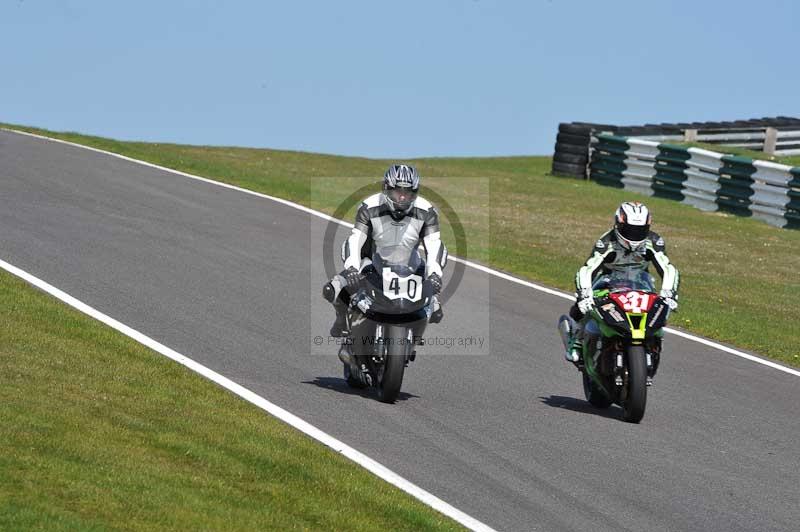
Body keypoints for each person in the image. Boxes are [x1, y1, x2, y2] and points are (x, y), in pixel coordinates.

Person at [323, 164, 446, 337]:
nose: (402, 198)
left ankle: (413, 334)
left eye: (408, 193)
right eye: (398, 192)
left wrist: (435, 275)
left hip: (408, 265)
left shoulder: (427, 212)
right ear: (386, 190)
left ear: (415, 193)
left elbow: (435, 245)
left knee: (436, 311)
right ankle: (341, 319)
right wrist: (351, 268)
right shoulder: (368, 207)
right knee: (332, 290)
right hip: (371, 262)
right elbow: (355, 239)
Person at [565, 201, 679, 363]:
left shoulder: (653, 241)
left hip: (641, 283)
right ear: (618, 225)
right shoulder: (606, 242)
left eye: (640, 230)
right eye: (630, 229)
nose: (634, 235)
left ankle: (653, 342)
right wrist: (585, 294)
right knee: (584, 305)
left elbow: (668, 268)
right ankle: (577, 339)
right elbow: (587, 269)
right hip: (608, 283)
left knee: (659, 307)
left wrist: (669, 293)